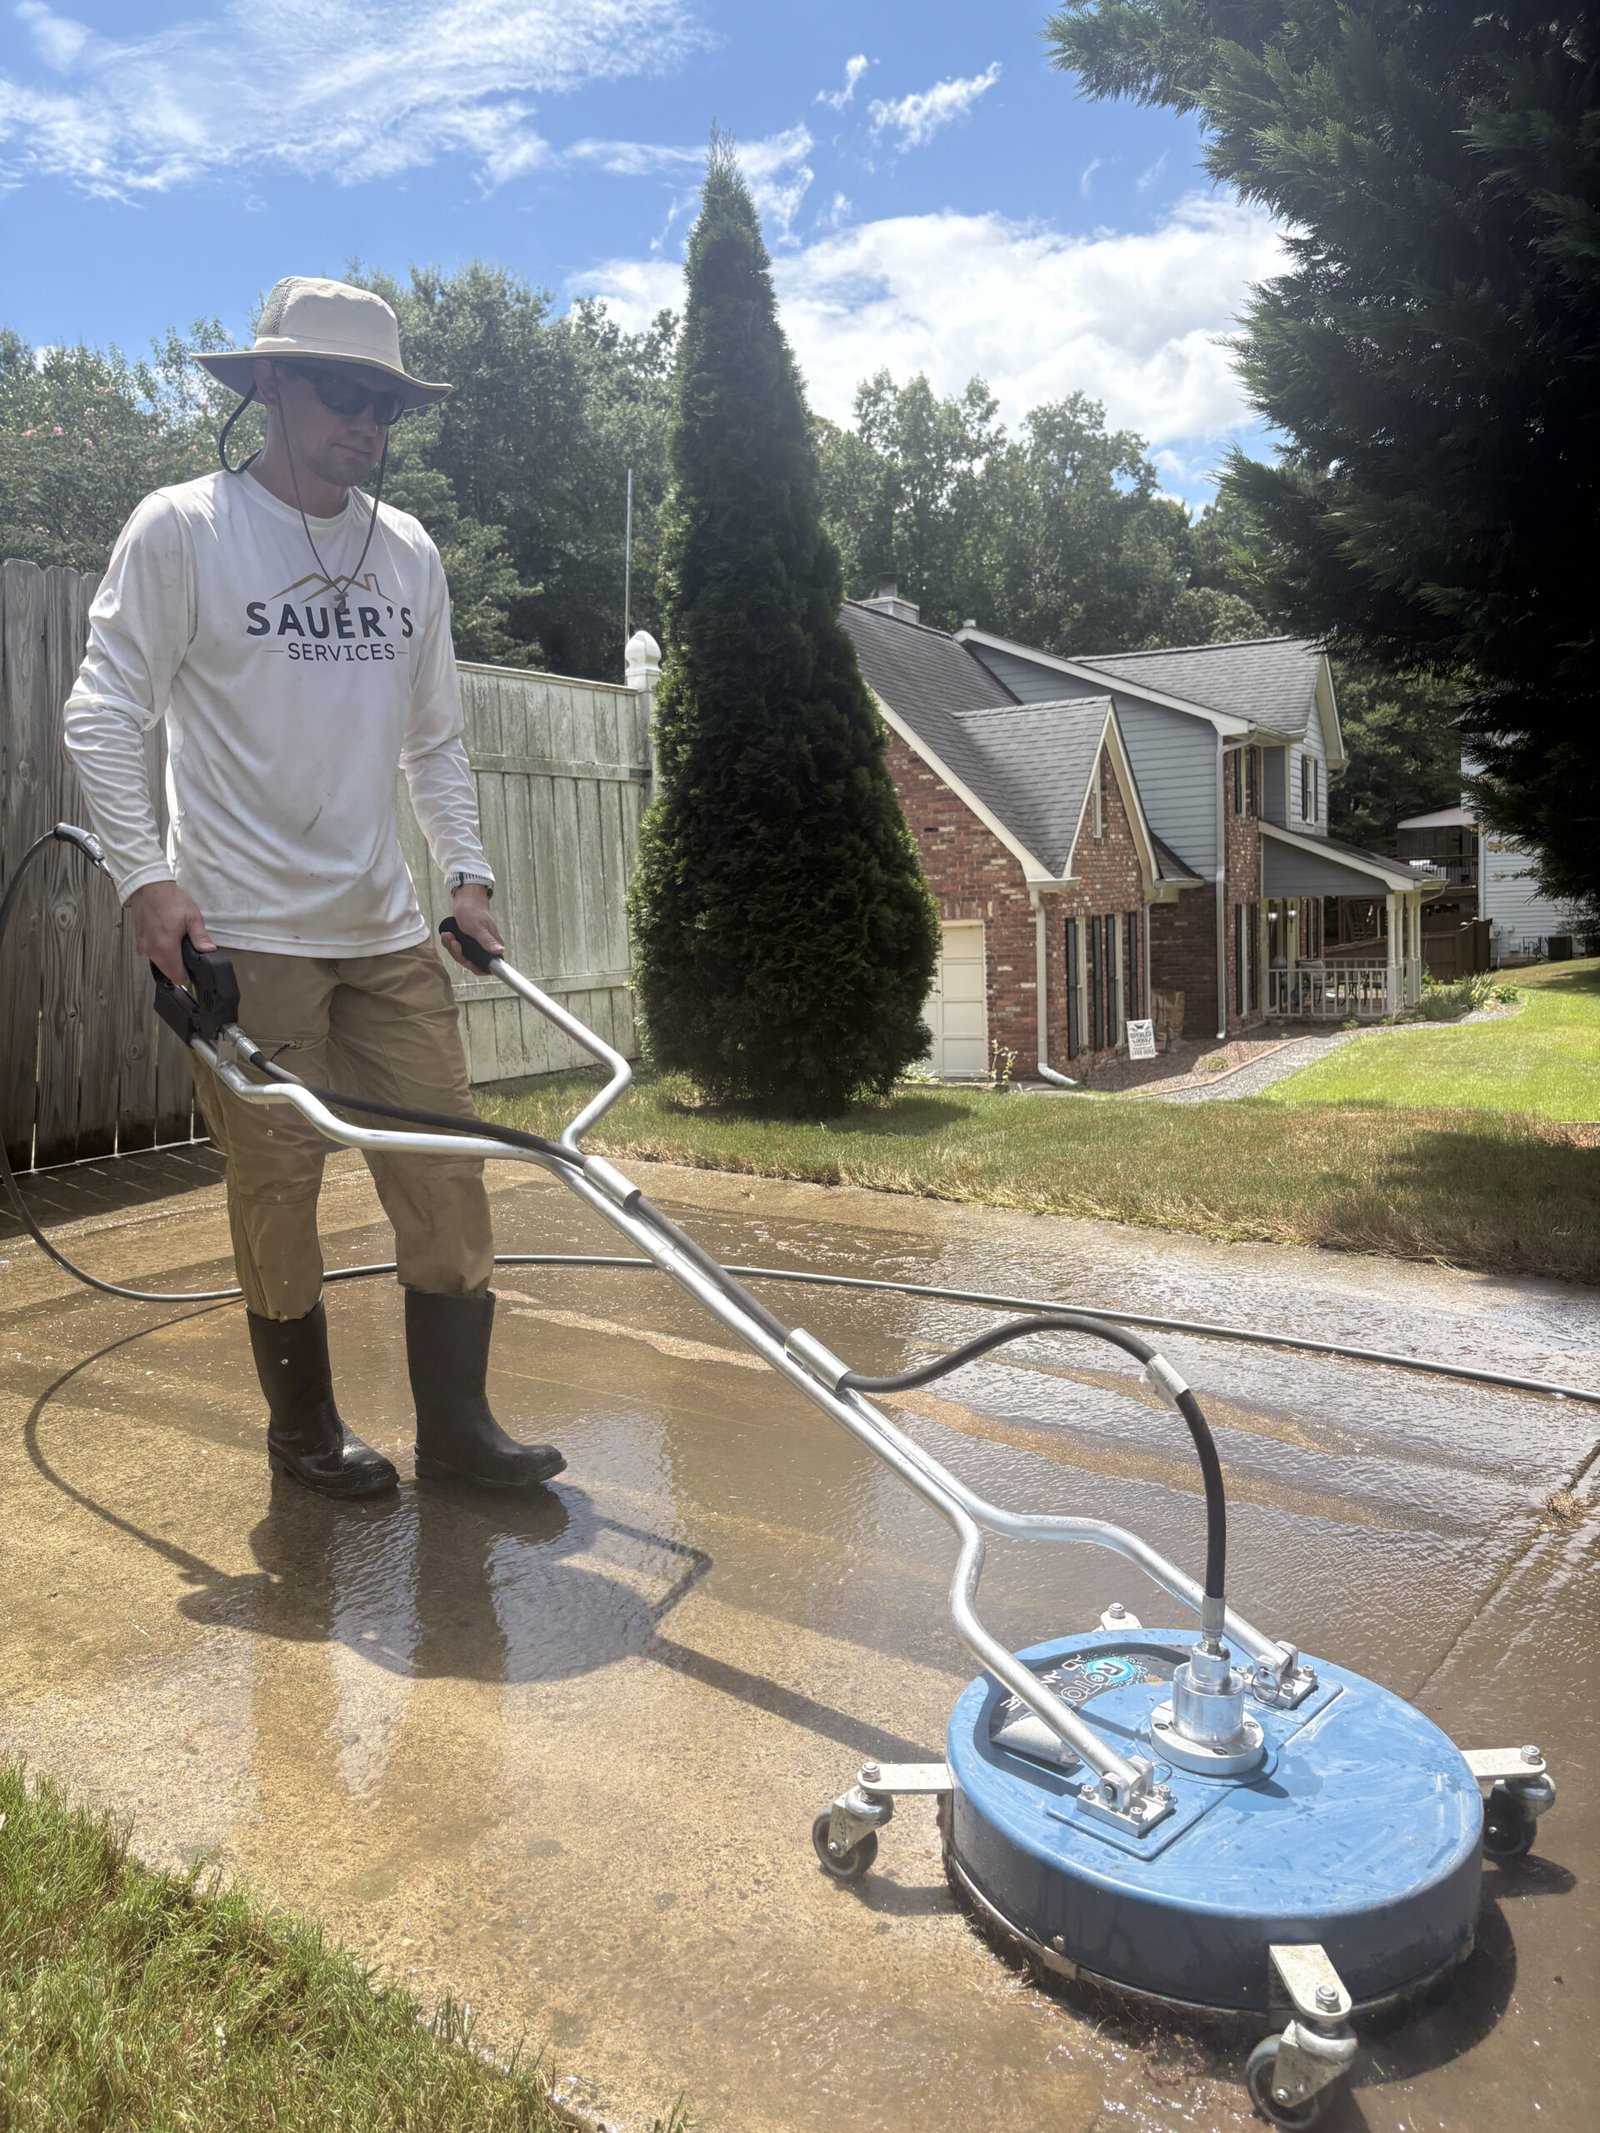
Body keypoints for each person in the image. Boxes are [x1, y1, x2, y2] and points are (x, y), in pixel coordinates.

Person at [64, 275, 565, 1501]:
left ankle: (458, 1431)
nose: (366, 425)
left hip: (386, 929)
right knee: (279, 1184)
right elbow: (103, 708)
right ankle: (302, 1437)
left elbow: (433, 741)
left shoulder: (406, 554)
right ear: (271, 387)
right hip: (243, 934)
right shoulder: (184, 528)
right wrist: (146, 879)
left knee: (445, 1167)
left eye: (384, 405)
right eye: (342, 395)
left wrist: (467, 873)